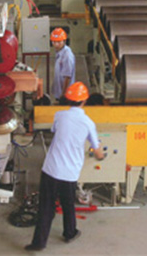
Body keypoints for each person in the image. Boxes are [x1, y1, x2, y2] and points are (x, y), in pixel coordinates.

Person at [25, 82, 104, 252]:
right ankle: (70, 233)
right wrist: (101, 155)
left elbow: (55, 130)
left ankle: (38, 243)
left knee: (46, 207)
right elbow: (97, 151)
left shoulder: (59, 115)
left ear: (68, 99)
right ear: (85, 100)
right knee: (68, 205)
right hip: (69, 173)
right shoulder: (88, 123)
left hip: (51, 169)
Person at [50, 28, 75, 103]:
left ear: (64, 41)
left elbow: (67, 76)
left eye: (59, 42)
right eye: (54, 42)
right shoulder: (60, 52)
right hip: (60, 93)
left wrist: (63, 95)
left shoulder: (67, 55)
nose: (56, 44)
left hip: (65, 96)